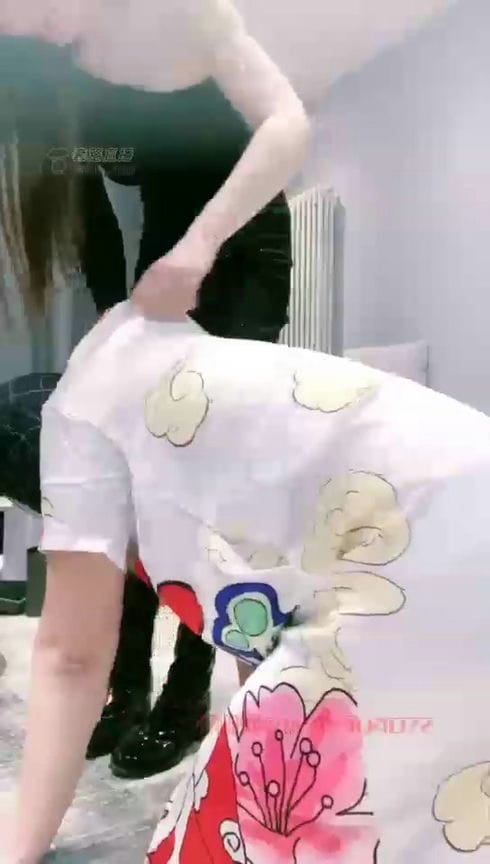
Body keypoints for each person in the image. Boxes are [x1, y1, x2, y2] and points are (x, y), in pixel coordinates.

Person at [4, 301, 490, 864]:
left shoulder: (85, 454)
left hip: (421, 552)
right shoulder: (169, 401)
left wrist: (20, 843)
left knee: (262, 813)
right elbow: (256, 612)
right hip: (458, 499)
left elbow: (70, 659)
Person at [0, 0, 309, 777]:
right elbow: (86, 209)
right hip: (164, 255)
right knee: (135, 475)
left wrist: (201, 247)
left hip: (241, 245)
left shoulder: (182, 12)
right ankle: (126, 690)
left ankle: (186, 695)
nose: (35, 31)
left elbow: (286, 125)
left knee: (204, 484)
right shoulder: (55, 68)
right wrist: (113, 318)